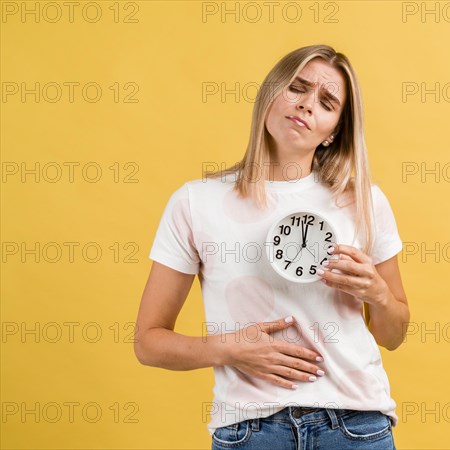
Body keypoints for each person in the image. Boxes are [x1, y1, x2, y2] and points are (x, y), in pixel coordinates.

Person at [134, 44, 410, 450]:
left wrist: (378, 294)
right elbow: (148, 342)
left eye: (327, 102)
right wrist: (230, 348)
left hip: (355, 428)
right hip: (251, 432)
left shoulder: (364, 202)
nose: (307, 105)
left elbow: (393, 334)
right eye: (297, 88)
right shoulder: (196, 202)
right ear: (270, 93)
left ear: (333, 129)